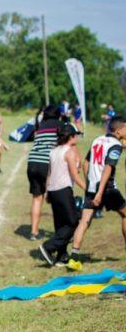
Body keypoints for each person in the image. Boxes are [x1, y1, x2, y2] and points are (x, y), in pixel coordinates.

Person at [67, 116, 126, 270]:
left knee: (84, 221)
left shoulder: (97, 140)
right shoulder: (116, 145)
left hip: (92, 187)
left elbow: (86, 163)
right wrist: (100, 192)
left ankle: (73, 257)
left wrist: (90, 182)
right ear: (119, 130)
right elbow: (108, 167)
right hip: (106, 189)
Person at [38, 124, 86, 267]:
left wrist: (47, 191)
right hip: (64, 190)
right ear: (71, 136)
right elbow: (75, 176)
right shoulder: (69, 152)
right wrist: (88, 190)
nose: (77, 137)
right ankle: (48, 247)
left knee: (60, 225)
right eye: (75, 135)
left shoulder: (54, 151)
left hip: (53, 191)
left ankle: (61, 257)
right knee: (73, 222)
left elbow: (49, 174)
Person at [26, 105, 62, 240]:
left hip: (32, 162)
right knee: (56, 199)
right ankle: (60, 232)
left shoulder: (41, 126)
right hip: (47, 164)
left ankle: (33, 233)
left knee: (37, 198)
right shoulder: (60, 125)